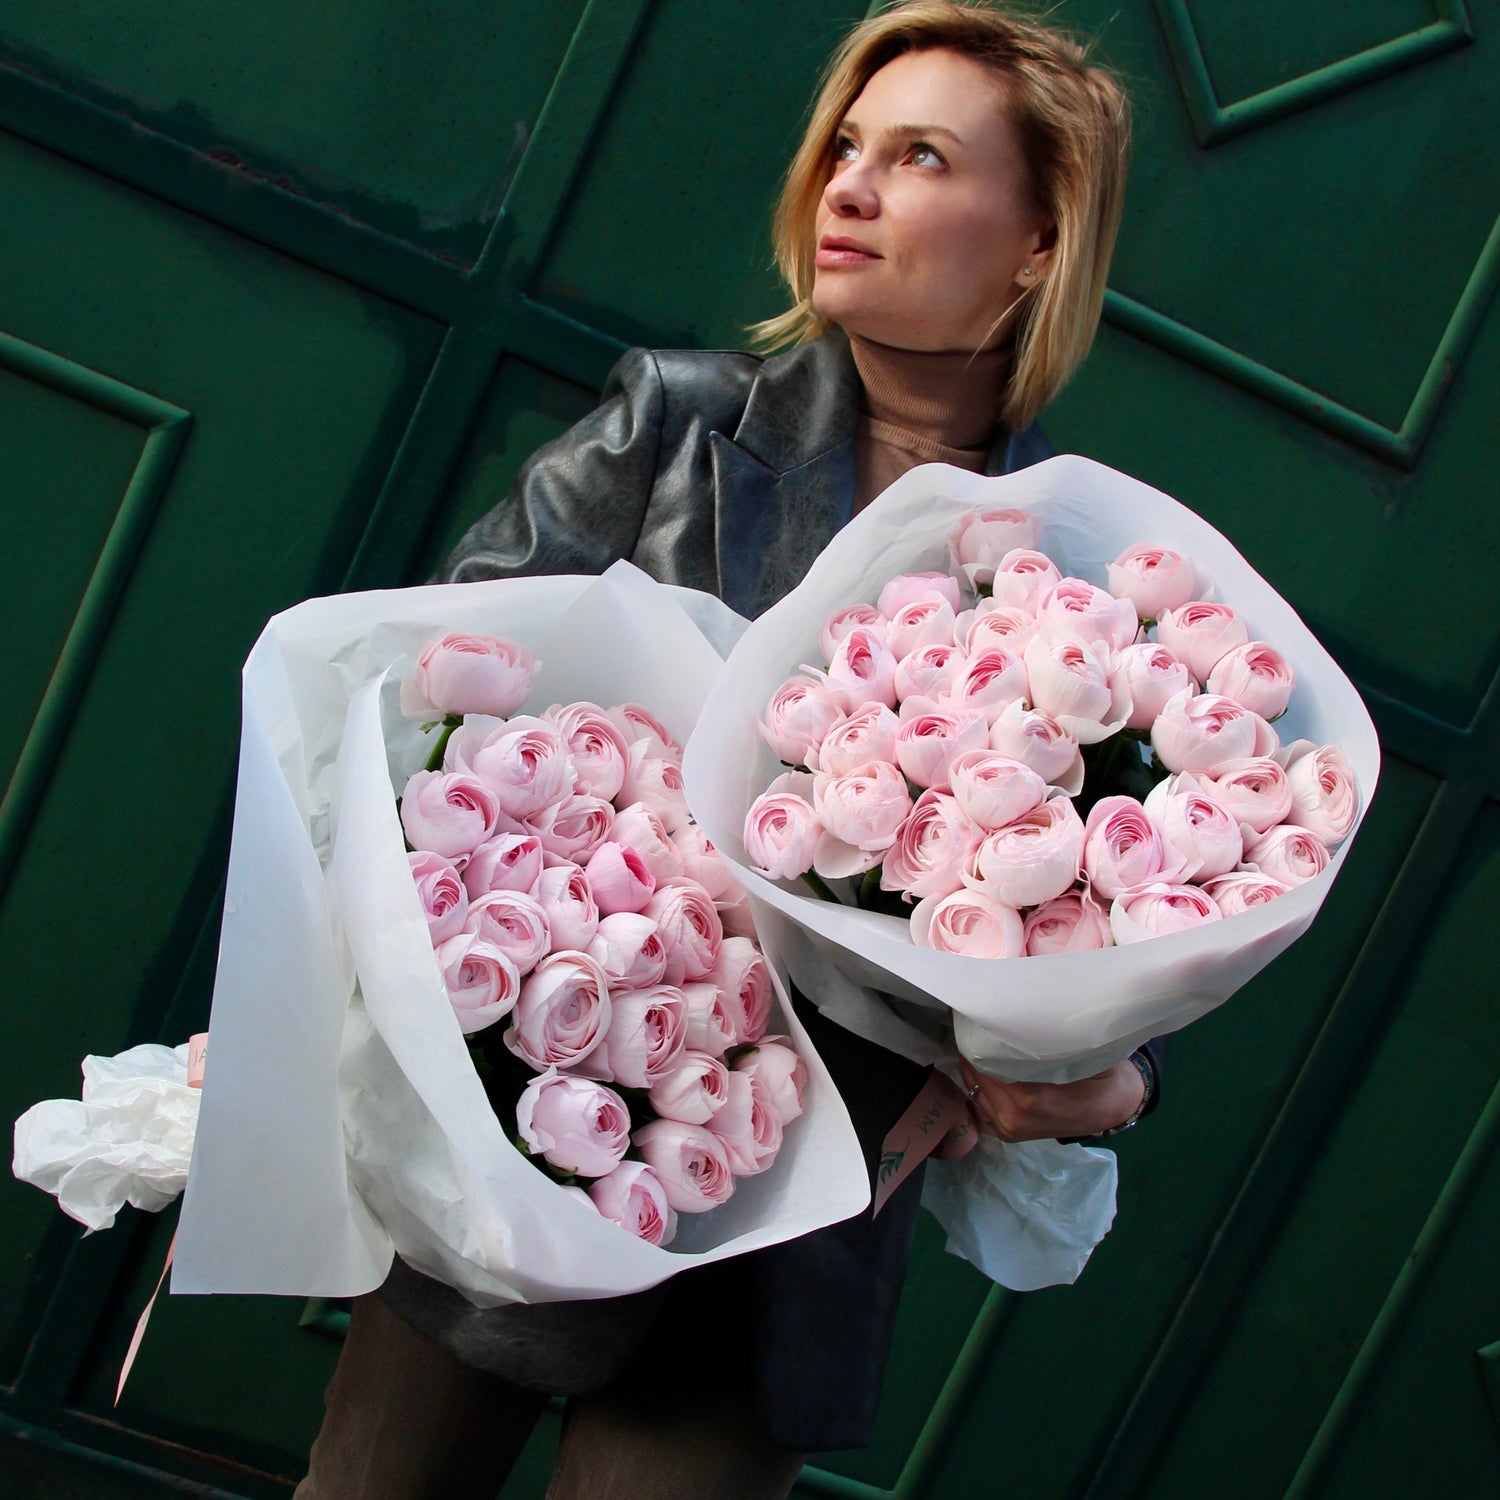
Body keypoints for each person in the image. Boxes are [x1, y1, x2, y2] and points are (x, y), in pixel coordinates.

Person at [296, 5, 1153, 1497]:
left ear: (1038, 241)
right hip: (539, 1130)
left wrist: (1092, 1082)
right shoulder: (675, 427)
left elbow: (1126, 940)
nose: (850, 187)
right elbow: (416, 719)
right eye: (845, 149)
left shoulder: (1076, 596)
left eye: (921, 156)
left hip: (792, 1254)